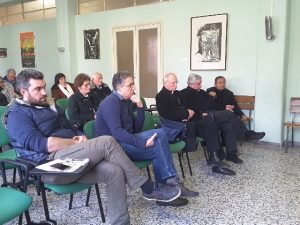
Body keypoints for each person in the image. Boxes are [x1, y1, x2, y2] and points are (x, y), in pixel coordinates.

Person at [6, 69, 181, 225]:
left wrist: (81, 137)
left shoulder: (50, 106)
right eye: (38, 89)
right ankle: (147, 187)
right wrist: (76, 142)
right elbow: (41, 144)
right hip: (49, 167)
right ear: (23, 91)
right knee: (107, 140)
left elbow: (73, 127)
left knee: (114, 171)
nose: (44, 92)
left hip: (73, 159)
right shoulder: (17, 115)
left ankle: (120, 222)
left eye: (44, 87)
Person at [95, 71, 199, 207]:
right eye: (130, 85)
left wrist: (140, 107)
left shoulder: (126, 101)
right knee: (160, 136)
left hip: (126, 141)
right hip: (115, 148)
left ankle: (167, 192)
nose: (134, 88)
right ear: (119, 88)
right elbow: (117, 133)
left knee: (159, 144)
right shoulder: (110, 103)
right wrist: (142, 143)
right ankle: (172, 184)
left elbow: (136, 128)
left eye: (133, 84)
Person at [156, 73, 238, 176]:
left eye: (176, 82)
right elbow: (167, 115)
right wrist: (186, 113)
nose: (175, 84)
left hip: (189, 122)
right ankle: (216, 160)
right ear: (165, 82)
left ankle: (215, 159)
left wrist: (192, 112)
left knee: (211, 123)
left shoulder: (177, 93)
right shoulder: (161, 96)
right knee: (210, 126)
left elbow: (187, 106)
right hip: (178, 127)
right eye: (172, 82)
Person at [180, 74, 244, 162]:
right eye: (199, 84)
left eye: (200, 83)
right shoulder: (183, 93)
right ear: (192, 84)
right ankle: (246, 133)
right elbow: (187, 109)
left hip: (210, 115)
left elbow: (211, 104)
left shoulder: (202, 92)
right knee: (229, 114)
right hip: (200, 119)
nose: (201, 85)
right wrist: (202, 112)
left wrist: (221, 104)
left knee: (229, 126)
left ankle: (231, 154)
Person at [207, 76, 265, 140]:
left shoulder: (229, 93)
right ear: (215, 84)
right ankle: (248, 134)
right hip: (215, 115)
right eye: (220, 83)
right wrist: (211, 92)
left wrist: (242, 115)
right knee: (231, 115)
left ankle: (241, 137)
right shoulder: (211, 91)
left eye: (224, 82)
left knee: (230, 122)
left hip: (227, 115)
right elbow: (210, 100)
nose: (222, 84)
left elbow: (235, 106)